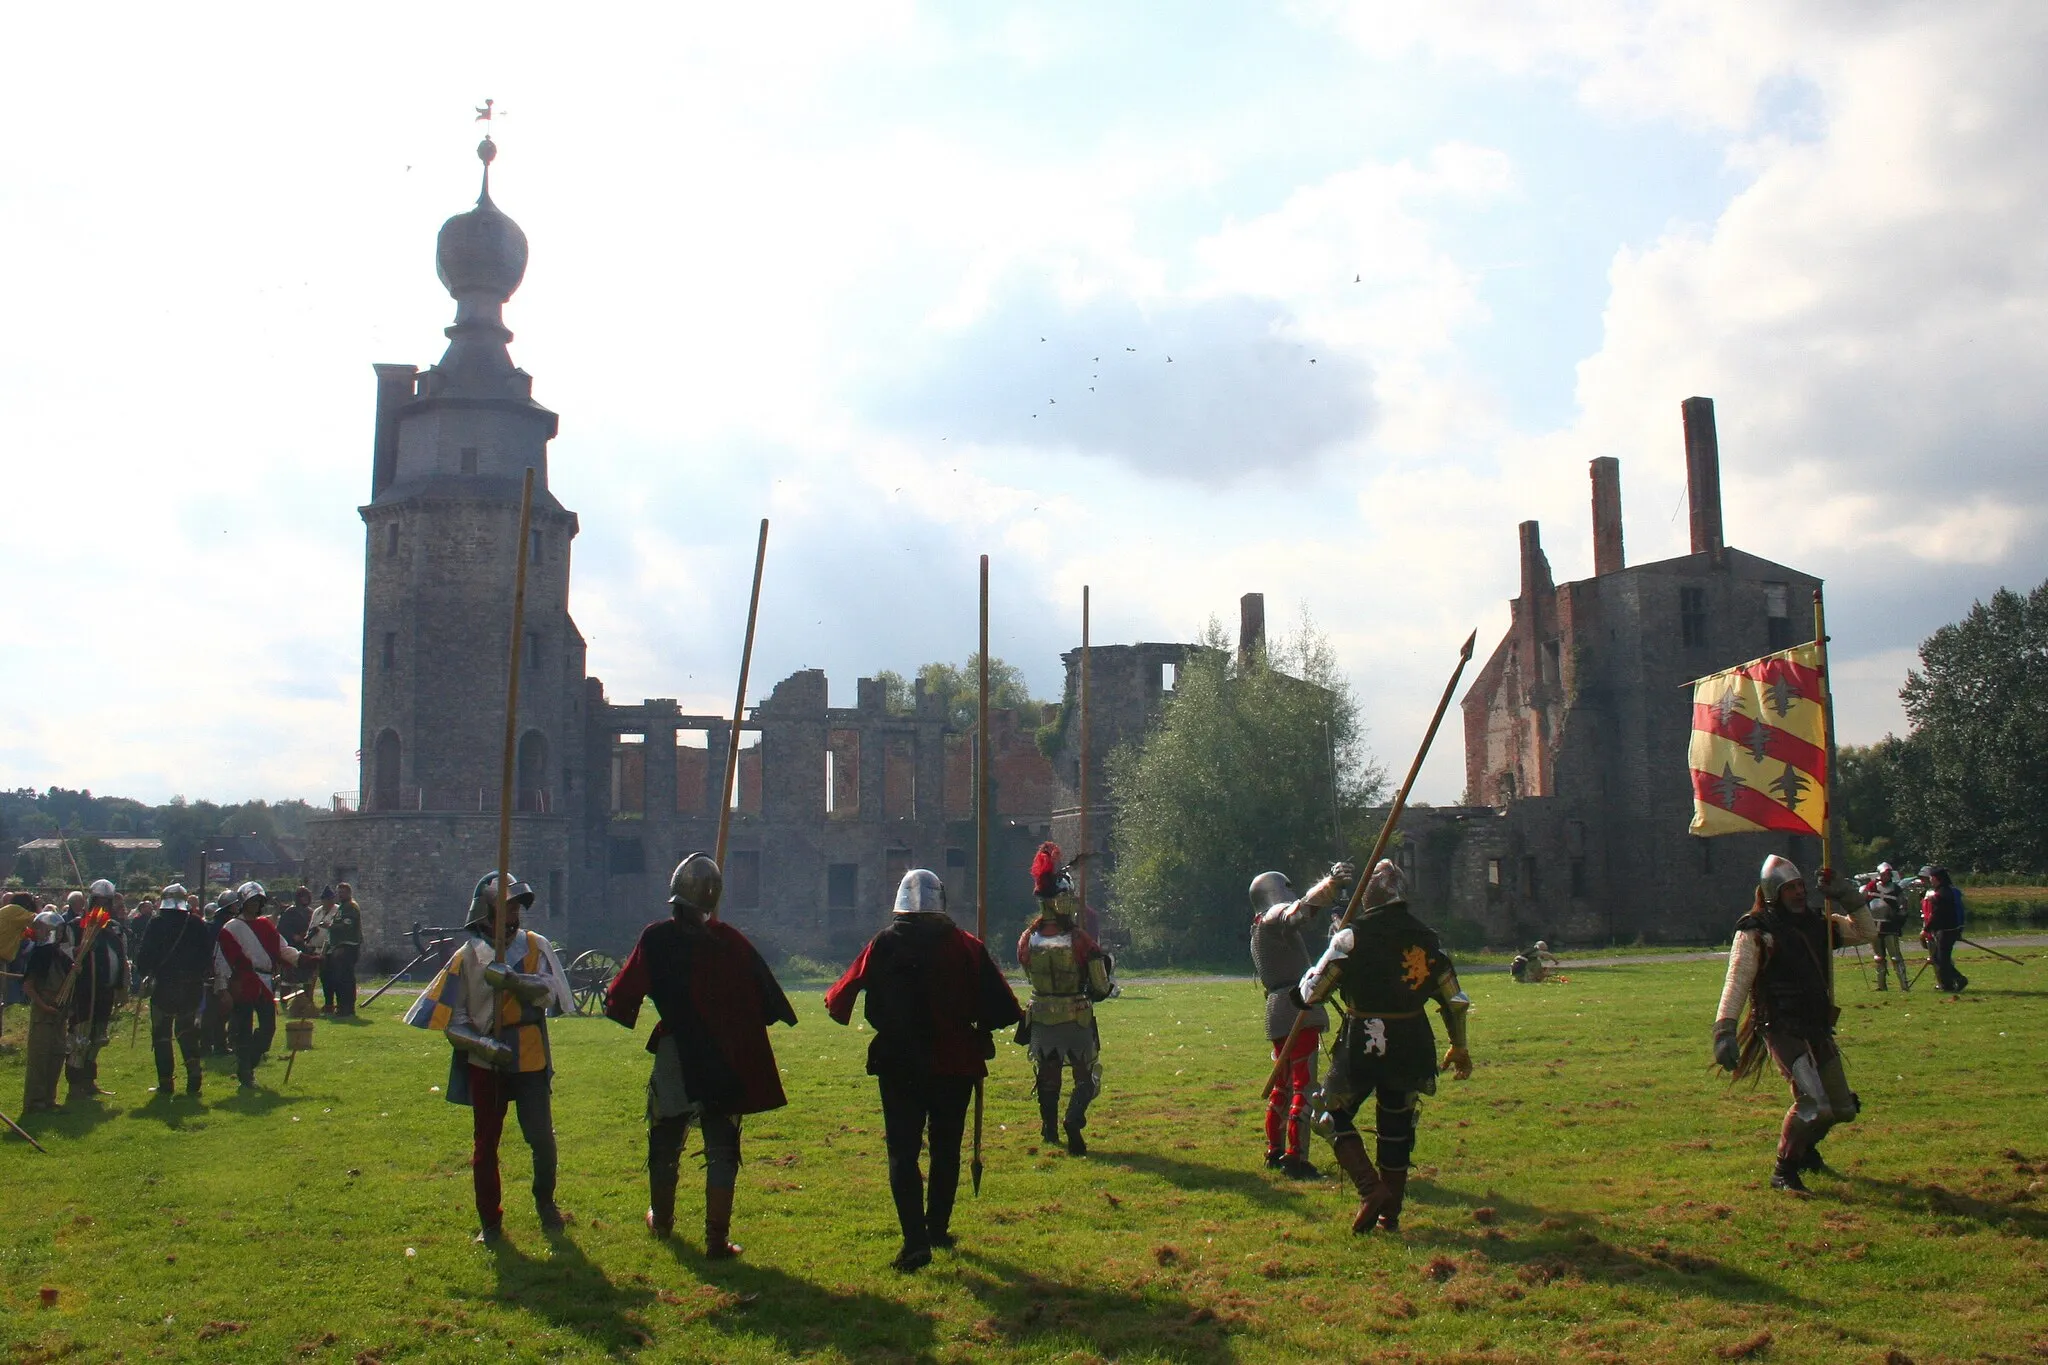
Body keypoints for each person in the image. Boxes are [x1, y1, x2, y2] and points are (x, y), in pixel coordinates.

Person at [825, 868, 1023, 1271]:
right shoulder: (966, 947)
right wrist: (980, 1023)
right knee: (946, 1149)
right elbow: (1004, 1008)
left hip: (900, 1062)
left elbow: (837, 999)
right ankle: (935, 1229)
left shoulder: (883, 945)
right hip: (954, 1061)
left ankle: (917, 1239)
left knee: (903, 1152)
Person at [604, 854, 797, 1259]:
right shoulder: (730, 941)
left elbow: (621, 997)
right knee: (722, 1146)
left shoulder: (656, 939)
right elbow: (768, 1003)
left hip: (678, 1050)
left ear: (675, 898)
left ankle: (664, 1222)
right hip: (726, 1054)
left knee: (666, 1137)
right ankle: (715, 1241)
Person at [1297, 859, 1472, 1234]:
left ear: (1370, 894)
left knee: (1327, 1113)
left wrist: (1329, 950)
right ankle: (1389, 1214)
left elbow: (1313, 992)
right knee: (1396, 1123)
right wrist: (1460, 1045)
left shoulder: (1352, 936)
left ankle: (1370, 1190)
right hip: (1412, 1040)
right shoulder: (1427, 938)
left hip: (1363, 1041)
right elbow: (1455, 1000)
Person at [406, 872, 574, 1244]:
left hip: (529, 1051)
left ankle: (546, 1204)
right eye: (507, 905)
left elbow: (549, 993)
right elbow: (453, 1021)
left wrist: (513, 981)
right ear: (486, 912)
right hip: (487, 1057)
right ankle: (490, 1222)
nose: (514, 913)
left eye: (516, 906)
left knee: (542, 1138)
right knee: (486, 1146)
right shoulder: (467, 958)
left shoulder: (534, 945)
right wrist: (483, 1046)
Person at [1712, 855, 1876, 1191]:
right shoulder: (1757, 931)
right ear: (1774, 892)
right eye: (1791, 888)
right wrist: (1725, 1029)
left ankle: (1805, 1151)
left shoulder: (1819, 925)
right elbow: (1737, 979)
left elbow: (1867, 932)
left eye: (1801, 886)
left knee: (1842, 1108)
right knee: (1814, 1105)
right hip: (1781, 1026)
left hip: (1815, 1024)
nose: (1800, 893)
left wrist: (1847, 894)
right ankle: (1783, 1171)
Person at [1249, 861, 1354, 1179]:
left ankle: (1275, 1150)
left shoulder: (1260, 928)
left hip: (1280, 1007)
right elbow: (1297, 912)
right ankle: (1295, 1157)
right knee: (1302, 1086)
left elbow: (1302, 915)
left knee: (1282, 1087)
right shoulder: (1271, 918)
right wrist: (1330, 884)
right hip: (1296, 1007)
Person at [1016, 842, 1116, 1156]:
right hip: (1076, 1014)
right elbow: (1100, 988)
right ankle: (1072, 1119)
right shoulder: (1078, 938)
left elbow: (1027, 970)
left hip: (1042, 1013)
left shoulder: (1027, 938)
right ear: (1062, 900)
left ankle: (1048, 1130)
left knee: (1047, 1075)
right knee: (1086, 1075)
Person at [213, 882, 309, 1089]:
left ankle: (247, 1064)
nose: (256, 905)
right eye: (252, 901)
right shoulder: (231, 928)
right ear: (244, 903)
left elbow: (282, 949)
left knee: (268, 1029)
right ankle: (246, 1073)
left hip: (265, 982)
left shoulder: (265, 925)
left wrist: (306, 959)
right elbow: (222, 960)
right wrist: (222, 989)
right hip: (242, 983)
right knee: (244, 1030)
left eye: (259, 901)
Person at [134, 883, 218, 1099]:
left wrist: (148, 971)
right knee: (187, 1033)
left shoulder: (157, 923)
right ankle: (194, 1077)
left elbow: (144, 957)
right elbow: (207, 957)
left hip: (164, 988)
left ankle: (166, 1083)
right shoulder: (197, 924)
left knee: (162, 1035)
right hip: (192, 988)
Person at [62, 880, 128, 1101]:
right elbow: (61, 953)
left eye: (106, 903)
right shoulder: (75, 927)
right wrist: (76, 951)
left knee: (98, 1036)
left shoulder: (114, 929)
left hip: (105, 990)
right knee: (80, 1036)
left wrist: (122, 986)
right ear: (90, 901)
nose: (102, 907)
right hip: (83, 990)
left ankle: (89, 1080)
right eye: (98, 902)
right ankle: (75, 1084)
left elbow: (122, 958)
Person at [19, 910, 72, 1114]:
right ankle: (35, 1101)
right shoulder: (40, 954)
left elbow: (71, 975)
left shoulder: (61, 953)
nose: (58, 934)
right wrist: (44, 1006)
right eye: (55, 930)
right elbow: (29, 987)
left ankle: (50, 1098)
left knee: (57, 1055)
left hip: (60, 1012)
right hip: (44, 1013)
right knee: (39, 1058)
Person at [202, 889, 241, 1055]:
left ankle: (215, 1044)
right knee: (215, 1011)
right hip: (217, 971)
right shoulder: (225, 926)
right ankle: (212, 1045)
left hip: (216, 971)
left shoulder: (213, 925)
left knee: (216, 1011)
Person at [1920, 865, 1968, 994]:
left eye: (1931, 878)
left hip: (1946, 931)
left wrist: (1926, 929)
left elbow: (1937, 915)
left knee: (1942, 960)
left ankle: (1958, 980)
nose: (1930, 880)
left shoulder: (1942, 894)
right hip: (1950, 930)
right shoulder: (1946, 891)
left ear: (1936, 878)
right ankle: (1948, 985)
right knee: (1938, 958)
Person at [1864, 864, 1912, 992]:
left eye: (1887, 874)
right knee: (1878, 958)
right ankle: (1881, 985)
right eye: (1883, 874)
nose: (1885, 876)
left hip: (1890, 926)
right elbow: (1863, 904)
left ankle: (1904, 985)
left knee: (1895, 957)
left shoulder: (1896, 889)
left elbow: (1903, 908)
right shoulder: (1871, 887)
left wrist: (1898, 919)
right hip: (1874, 926)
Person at [324, 883, 364, 1017]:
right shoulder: (341, 908)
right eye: (338, 892)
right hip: (338, 947)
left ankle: (347, 1007)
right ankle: (341, 1006)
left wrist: (330, 926)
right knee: (338, 979)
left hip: (348, 947)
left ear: (349, 893)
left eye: (343, 892)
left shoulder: (351, 907)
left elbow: (347, 925)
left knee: (345, 979)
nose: (340, 895)